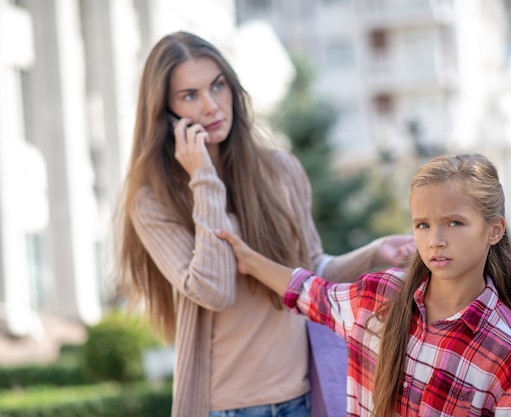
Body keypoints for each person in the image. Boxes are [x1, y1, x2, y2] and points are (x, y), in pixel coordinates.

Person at [115, 31, 415, 417]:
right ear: (165, 112)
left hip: (302, 399)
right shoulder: (155, 200)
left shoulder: (280, 170)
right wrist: (203, 179)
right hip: (226, 409)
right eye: (190, 96)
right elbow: (214, 289)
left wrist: (374, 253)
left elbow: (310, 270)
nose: (211, 106)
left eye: (217, 86)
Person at [216, 153, 511, 416]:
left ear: (494, 230)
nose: (436, 241)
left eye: (455, 223)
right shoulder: (380, 295)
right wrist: (249, 260)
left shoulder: (509, 349)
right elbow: (310, 292)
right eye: (423, 225)